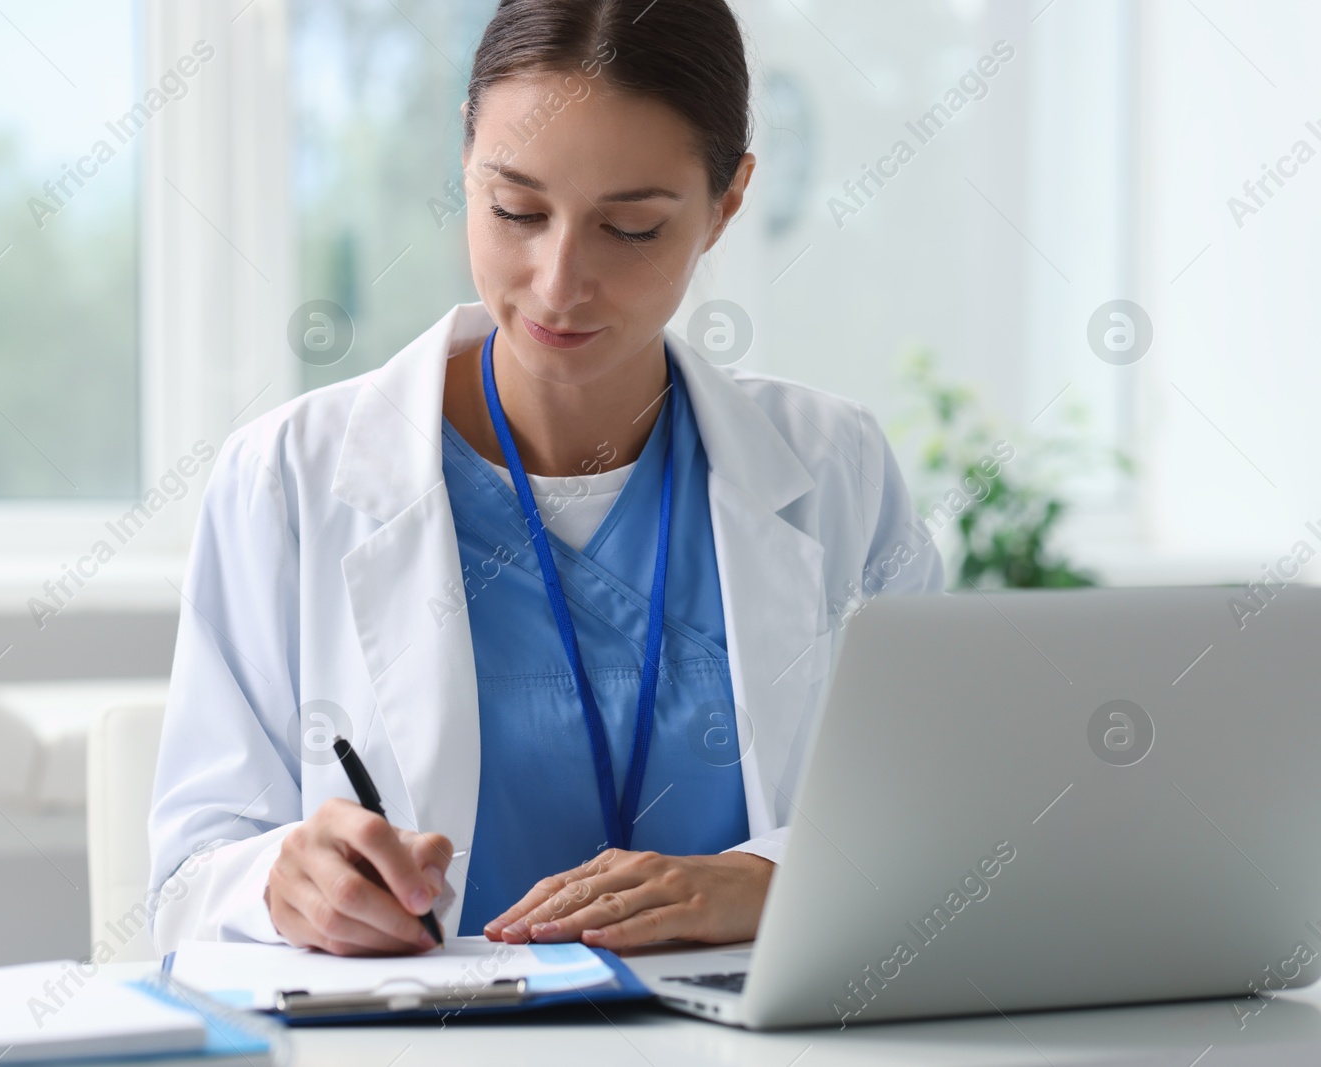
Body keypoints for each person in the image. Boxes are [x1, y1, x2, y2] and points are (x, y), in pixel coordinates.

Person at [148, 0, 943, 958]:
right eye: (516, 210)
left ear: (727, 204)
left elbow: (939, 831)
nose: (559, 282)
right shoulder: (285, 480)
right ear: (464, 168)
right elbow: (189, 882)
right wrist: (279, 884)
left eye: (633, 229)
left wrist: (768, 879)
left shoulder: (835, 470)